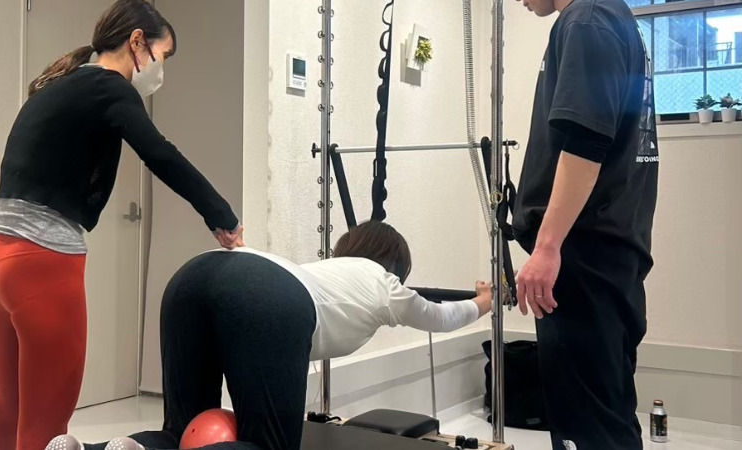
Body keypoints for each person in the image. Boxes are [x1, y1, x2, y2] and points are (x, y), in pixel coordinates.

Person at [0, 1, 244, 448]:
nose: (161, 69)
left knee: (8, 406)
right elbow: (161, 154)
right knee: (45, 425)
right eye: (163, 56)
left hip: (0, 263)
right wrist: (222, 216)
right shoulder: (109, 87)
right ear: (137, 42)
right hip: (44, 267)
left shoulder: (61, 82)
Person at [46, 221, 493, 450]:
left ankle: (93, 448)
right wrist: (484, 302)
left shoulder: (324, 268)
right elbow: (441, 317)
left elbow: (255, 282)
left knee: (182, 430)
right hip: (265, 295)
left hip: (193, 274)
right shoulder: (386, 283)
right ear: (396, 265)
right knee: (269, 446)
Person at [512, 0, 659, 449]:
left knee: (589, 425)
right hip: (603, 252)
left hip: (582, 254)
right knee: (604, 411)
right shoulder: (608, 18)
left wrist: (547, 247)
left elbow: (586, 142)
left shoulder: (588, 21)